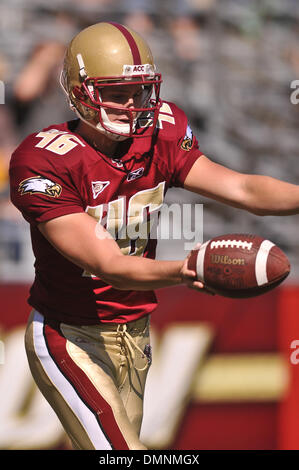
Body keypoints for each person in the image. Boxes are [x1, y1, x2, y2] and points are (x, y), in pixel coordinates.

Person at [9, 22, 299, 451]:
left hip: (135, 332)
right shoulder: (42, 160)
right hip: (70, 336)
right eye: (115, 93)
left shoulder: (161, 132)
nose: (130, 105)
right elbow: (107, 265)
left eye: (140, 91)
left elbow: (242, 189)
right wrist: (186, 269)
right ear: (78, 90)